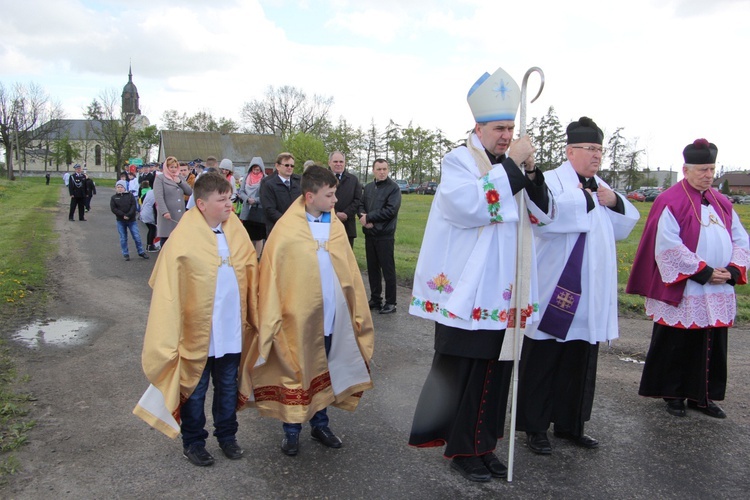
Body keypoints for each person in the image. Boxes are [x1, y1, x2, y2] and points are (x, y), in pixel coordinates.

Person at [407, 66, 554, 482]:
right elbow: (470, 207)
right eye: (499, 129)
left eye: (510, 129)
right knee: (467, 372)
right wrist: (512, 170)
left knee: (498, 369)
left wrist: (529, 173)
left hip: (504, 288)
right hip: (468, 291)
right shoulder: (458, 161)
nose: (506, 136)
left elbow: (545, 215)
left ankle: (485, 444)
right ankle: (462, 449)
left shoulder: (512, 163)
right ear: (478, 126)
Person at [516, 117, 639, 455]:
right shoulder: (551, 180)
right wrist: (585, 201)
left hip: (592, 291)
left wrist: (613, 201)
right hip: (556, 285)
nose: (597, 155)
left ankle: (571, 425)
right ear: (570, 151)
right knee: (546, 356)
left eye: (600, 149)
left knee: (580, 359)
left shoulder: (600, 185)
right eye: (590, 148)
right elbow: (544, 217)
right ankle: (535, 427)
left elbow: (624, 227)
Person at [133, 172, 259, 467]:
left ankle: (228, 436)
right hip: (196, 333)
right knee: (195, 388)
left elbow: (250, 270)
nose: (230, 204)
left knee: (228, 386)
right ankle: (194, 442)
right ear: (201, 204)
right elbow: (167, 287)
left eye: (230, 198)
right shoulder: (183, 237)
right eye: (223, 199)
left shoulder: (236, 230)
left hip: (230, 329)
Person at [252, 165, 374, 457]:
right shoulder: (286, 231)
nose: (335, 201)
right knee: (297, 371)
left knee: (325, 370)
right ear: (310, 196)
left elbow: (348, 271)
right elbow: (272, 276)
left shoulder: (334, 226)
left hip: (332, 316)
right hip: (297, 319)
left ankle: (321, 424)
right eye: (330, 195)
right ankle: (291, 430)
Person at [627, 139, 749, 419]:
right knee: (678, 342)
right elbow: (667, 245)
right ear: (685, 169)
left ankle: (703, 396)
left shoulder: (722, 202)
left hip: (718, 286)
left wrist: (731, 269)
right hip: (687, 284)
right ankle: (673, 395)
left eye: (712, 169)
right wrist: (704, 271)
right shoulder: (669, 200)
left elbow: (741, 238)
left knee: (711, 342)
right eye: (703, 169)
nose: (708, 175)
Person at [358, 159, 401, 314]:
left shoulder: (393, 188)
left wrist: (369, 218)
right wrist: (363, 217)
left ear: (388, 170)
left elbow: (391, 210)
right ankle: (376, 299)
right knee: (372, 268)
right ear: (373, 170)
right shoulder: (368, 188)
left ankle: (391, 302)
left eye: (384, 169)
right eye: (379, 169)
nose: (382, 172)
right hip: (370, 235)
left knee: (388, 269)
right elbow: (361, 205)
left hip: (385, 235)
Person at [153, 156, 193, 247]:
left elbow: (189, 192)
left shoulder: (180, 178)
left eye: (175, 167)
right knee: (167, 238)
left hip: (179, 214)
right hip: (168, 215)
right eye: (171, 167)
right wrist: (164, 211)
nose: (174, 169)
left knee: (178, 239)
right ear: (166, 167)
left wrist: (180, 182)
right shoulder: (160, 179)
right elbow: (159, 197)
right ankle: (165, 259)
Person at [259, 152, 302, 234]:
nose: (289, 168)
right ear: (277, 166)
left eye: (292, 166)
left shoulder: (298, 184)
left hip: (296, 227)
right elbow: (269, 209)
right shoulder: (269, 184)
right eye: (286, 165)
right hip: (277, 228)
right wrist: (286, 221)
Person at [329, 151, 362, 249]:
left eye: (341, 161)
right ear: (329, 163)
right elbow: (319, 200)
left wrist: (346, 213)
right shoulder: (322, 179)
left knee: (346, 258)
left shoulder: (353, 180)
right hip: (328, 224)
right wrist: (335, 213)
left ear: (345, 163)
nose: (338, 164)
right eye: (335, 161)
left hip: (347, 225)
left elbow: (358, 200)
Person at [110, 180, 149, 261]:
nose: (120, 189)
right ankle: (125, 253)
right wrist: (123, 215)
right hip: (121, 220)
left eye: (121, 187)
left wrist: (128, 215)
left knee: (136, 236)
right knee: (123, 238)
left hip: (131, 220)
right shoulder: (114, 198)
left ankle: (141, 251)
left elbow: (133, 206)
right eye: (118, 187)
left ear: (124, 188)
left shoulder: (130, 195)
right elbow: (114, 209)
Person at [237, 157, 267, 257]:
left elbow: (265, 195)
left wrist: (255, 200)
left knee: (258, 237)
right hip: (247, 210)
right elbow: (241, 192)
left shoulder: (265, 179)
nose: (255, 171)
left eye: (258, 169)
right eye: (254, 169)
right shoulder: (246, 177)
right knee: (248, 235)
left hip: (258, 211)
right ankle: (249, 256)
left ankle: (257, 257)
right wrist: (247, 199)